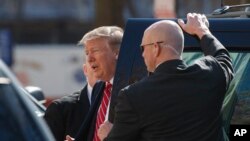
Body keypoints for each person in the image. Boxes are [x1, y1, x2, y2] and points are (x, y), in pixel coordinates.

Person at [101, 13, 234, 141]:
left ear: (155, 47)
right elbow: (224, 58)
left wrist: (106, 136)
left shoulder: (133, 96)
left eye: (143, 48)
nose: (142, 55)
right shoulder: (210, 74)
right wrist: (202, 31)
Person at [66, 26, 124, 141]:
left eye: (95, 51)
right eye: (87, 53)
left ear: (117, 53)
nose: (89, 58)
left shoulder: (133, 90)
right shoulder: (98, 88)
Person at [44, 62, 98, 141]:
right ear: (85, 69)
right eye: (95, 67)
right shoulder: (60, 110)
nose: (102, 72)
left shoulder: (120, 105)